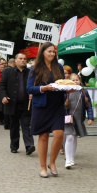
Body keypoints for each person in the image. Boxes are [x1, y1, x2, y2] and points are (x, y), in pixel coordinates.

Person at [27, 42, 66, 178]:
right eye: (49, 51)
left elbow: (63, 84)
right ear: (42, 52)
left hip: (57, 106)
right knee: (43, 136)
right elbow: (29, 88)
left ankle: (52, 162)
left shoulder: (58, 67)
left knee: (59, 134)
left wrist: (69, 89)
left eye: (53, 52)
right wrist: (44, 88)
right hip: (42, 106)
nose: (51, 54)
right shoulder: (35, 68)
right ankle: (43, 167)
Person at [0, 53, 35, 155]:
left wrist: (33, 93)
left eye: (24, 59)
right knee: (14, 126)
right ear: (15, 61)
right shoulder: (8, 72)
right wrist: (3, 96)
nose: (23, 60)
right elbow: (2, 86)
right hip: (12, 103)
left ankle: (29, 146)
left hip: (26, 103)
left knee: (26, 125)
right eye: (20, 58)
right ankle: (14, 146)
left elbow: (35, 85)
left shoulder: (30, 73)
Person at [64, 73, 94, 169]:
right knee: (69, 137)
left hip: (78, 119)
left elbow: (89, 105)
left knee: (75, 138)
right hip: (68, 119)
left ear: (80, 81)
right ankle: (68, 159)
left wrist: (90, 117)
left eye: (77, 80)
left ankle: (72, 157)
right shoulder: (66, 91)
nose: (75, 82)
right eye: (73, 80)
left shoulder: (83, 92)